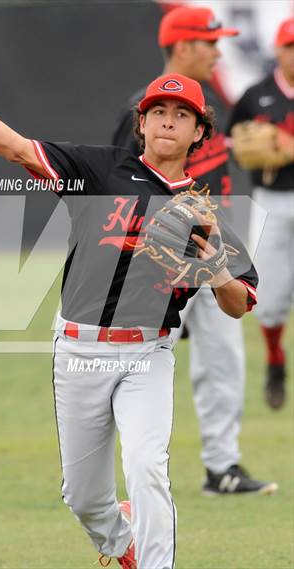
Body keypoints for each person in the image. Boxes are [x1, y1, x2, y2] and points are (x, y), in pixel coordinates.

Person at [0, 42, 258, 569]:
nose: (167, 121)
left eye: (182, 115)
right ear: (142, 123)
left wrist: (216, 268)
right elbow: (18, 150)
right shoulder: (99, 173)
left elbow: (238, 304)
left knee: (147, 469)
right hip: (78, 350)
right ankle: (121, 544)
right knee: (85, 499)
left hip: (147, 355)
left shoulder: (205, 216)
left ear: (199, 132)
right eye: (158, 111)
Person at [112, 5, 278, 496]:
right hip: (161, 261)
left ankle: (222, 468)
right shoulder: (140, 113)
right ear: (183, 47)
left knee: (224, 358)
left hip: (215, 251)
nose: (218, 50)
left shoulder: (209, 108)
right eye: (210, 42)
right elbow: (120, 189)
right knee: (140, 364)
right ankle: (133, 474)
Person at [227, 17, 294, 410]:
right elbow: (228, 139)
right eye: (289, 46)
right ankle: (274, 360)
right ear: (278, 50)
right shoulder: (257, 94)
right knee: (267, 298)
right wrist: (246, 147)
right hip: (270, 200)